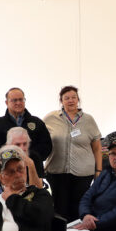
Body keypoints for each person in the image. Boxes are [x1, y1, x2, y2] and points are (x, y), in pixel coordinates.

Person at [43, 85, 102, 221]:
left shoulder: (88, 120)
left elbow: (97, 148)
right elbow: (38, 139)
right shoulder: (50, 118)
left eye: (73, 97)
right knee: (60, 210)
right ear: (61, 101)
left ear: (78, 100)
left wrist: (98, 170)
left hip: (83, 174)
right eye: (67, 98)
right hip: (57, 173)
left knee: (79, 208)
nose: (70, 100)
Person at [0, 87, 52, 170]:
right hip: (6, 171)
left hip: (34, 170)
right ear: (6, 102)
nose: (18, 103)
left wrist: (29, 157)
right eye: (14, 100)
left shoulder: (37, 122)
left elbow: (46, 147)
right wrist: (13, 157)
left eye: (21, 100)